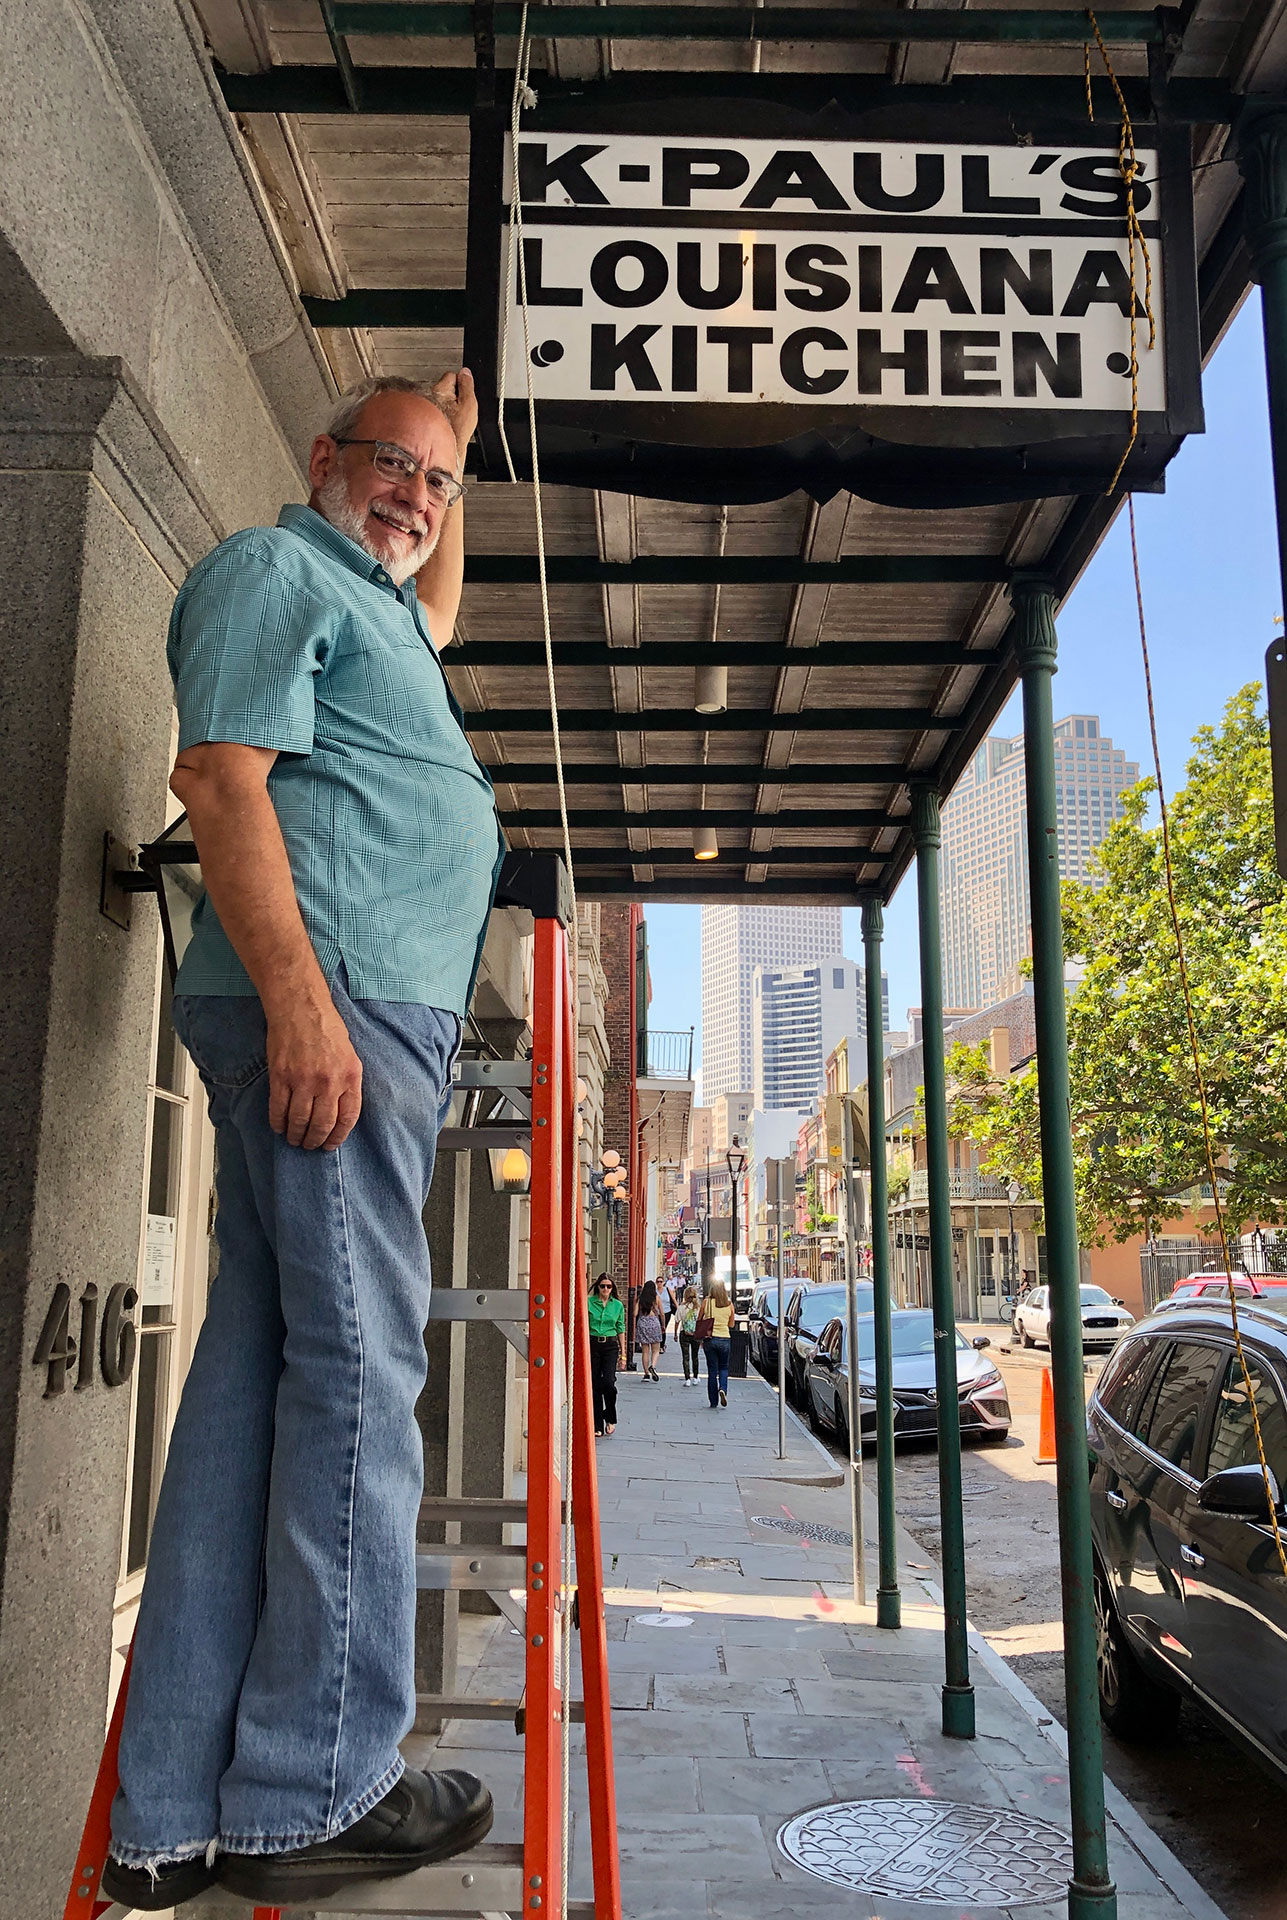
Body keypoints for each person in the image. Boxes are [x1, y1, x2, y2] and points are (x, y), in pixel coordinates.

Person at [104, 373, 499, 1913]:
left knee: (250, 1383)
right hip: (332, 1005)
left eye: (437, 483)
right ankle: (314, 1782)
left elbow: (436, 589)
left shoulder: (380, 605)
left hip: (344, 1005)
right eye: (388, 466)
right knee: (362, 1372)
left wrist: (459, 441)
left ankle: (168, 1816)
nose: (412, 496)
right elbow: (219, 781)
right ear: (319, 459)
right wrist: (305, 1011)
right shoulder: (275, 572)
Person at [588, 1274, 625, 1436]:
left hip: (610, 1345)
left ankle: (610, 1417)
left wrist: (623, 1354)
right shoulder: (589, 1302)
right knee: (595, 1385)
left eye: (608, 1286)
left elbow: (620, 1328)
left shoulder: (617, 1305)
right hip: (593, 1343)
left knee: (609, 1383)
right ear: (598, 1287)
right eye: (602, 1286)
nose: (605, 1289)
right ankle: (597, 1424)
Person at [702, 1281, 735, 1409]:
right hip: (725, 1339)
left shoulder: (706, 1302)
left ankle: (713, 1401)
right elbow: (731, 1324)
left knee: (712, 1370)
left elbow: (700, 1319)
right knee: (724, 1368)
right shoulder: (729, 1304)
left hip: (710, 1339)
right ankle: (723, 1388)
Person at [634, 1279, 664, 1381]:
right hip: (654, 1323)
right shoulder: (657, 1298)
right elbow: (662, 1314)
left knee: (645, 1351)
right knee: (656, 1349)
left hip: (642, 1323)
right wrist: (663, 1326)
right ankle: (653, 1366)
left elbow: (634, 1314)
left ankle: (646, 1374)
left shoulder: (640, 1299)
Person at [677, 1286, 702, 1386]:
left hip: (684, 1333)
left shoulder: (681, 1307)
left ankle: (687, 1379)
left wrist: (675, 1333)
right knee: (695, 1356)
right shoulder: (699, 1308)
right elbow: (701, 1321)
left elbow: (677, 1321)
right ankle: (695, 1377)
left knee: (685, 1356)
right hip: (696, 1334)